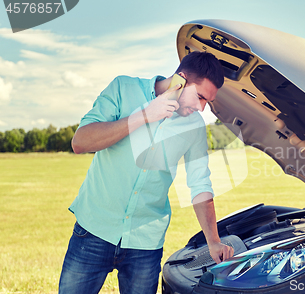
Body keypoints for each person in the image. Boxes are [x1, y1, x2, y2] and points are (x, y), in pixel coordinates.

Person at [59, 51, 234, 294]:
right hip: (94, 230)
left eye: (207, 102)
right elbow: (81, 142)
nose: (202, 108)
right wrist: (143, 116)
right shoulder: (123, 88)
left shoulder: (193, 126)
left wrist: (213, 241)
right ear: (180, 80)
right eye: (201, 97)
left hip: (145, 243)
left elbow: (200, 184)